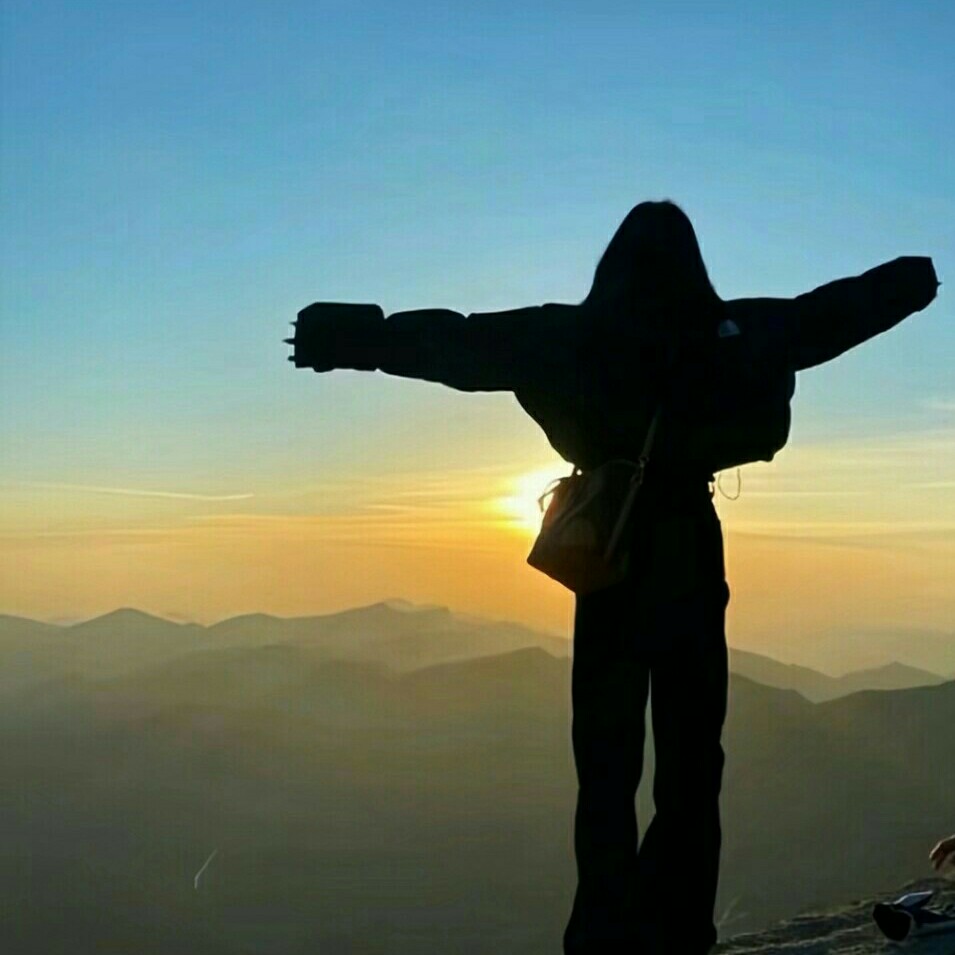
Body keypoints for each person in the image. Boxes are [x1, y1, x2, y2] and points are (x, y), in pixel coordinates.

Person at [286, 200, 939, 954]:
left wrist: (353, 337)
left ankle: (599, 935)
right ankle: (678, 929)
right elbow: (829, 314)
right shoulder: (733, 330)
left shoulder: (567, 335)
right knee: (692, 762)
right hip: (688, 550)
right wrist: (910, 280)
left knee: (605, 767)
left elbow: (455, 341)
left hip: (607, 557)